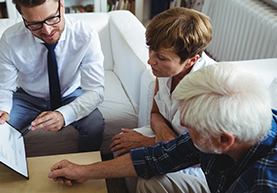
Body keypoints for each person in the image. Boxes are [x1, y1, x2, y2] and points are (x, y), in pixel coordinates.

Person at [48, 62, 277, 193]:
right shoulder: (227, 129)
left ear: (224, 140)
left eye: (191, 124)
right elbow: (156, 157)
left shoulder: (263, 183)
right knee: (151, 180)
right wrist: (82, 171)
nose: (182, 124)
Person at [0, 0, 105, 152]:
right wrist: (0, 108)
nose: (47, 30)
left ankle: (84, 171)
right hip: (28, 98)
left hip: (69, 94)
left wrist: (63, 115)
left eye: (52, 18)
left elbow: (96, 91)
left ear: (61, 4)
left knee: (95, 125)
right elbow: (3, 87)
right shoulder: (10, 39)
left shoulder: (86, 36)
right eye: (35, 24)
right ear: (23, 17)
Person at [110, 7, 215, 191]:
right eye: (151, 50)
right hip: (172, 141)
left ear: (191, 60)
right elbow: (155, 112)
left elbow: (203, 156)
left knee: (147, 177)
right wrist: (162, 130)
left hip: (202, 165)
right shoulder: (166, 71)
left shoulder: (208, 93)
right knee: (120, 145)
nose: (150, 61)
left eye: (161, 57)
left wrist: (149, 143)